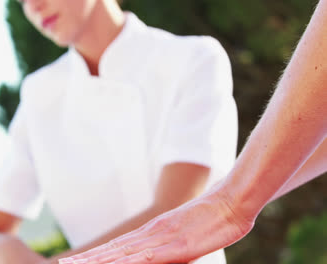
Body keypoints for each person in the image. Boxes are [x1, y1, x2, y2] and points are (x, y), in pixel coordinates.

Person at [0, 0, 239, 263]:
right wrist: (3, 248)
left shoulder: (194, 60)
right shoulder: (39, 95)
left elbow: (174, 217)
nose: (34, 6)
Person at [59, 0, 327, 263]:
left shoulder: (192, 55)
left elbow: (177, 200)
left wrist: (232, 200)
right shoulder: (43, 92)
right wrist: (231, 197)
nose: (33, 5)